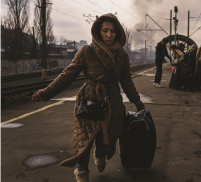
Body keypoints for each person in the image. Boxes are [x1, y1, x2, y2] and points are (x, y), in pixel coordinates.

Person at [31, 14, 145, 182]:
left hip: (112, 104)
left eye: (112, 31)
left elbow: (127, 82)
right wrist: (45, 93)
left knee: (105, 139)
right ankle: (82, 173)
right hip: (89, 102)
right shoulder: (86, 51)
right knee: (83, 142)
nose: (109, 35)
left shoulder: (122, 55)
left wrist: (137, 101)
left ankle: (100, 155)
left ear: (117, 32)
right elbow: (67, 75)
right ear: (98, 32)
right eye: (105, 30)